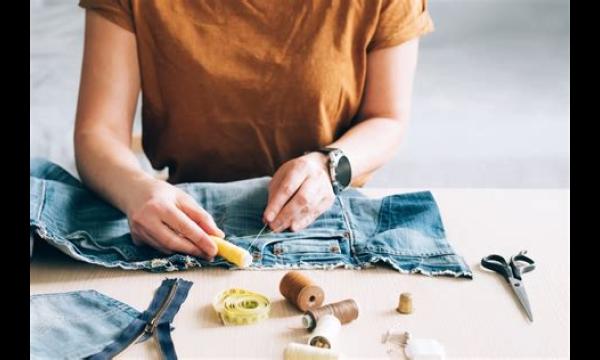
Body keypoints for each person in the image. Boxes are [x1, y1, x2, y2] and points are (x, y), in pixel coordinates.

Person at [74, 0, 434, 260]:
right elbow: (98, 132)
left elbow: (386, 118)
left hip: (327, 217)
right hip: (183, 217)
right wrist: (135, 190)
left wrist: (329, 166)